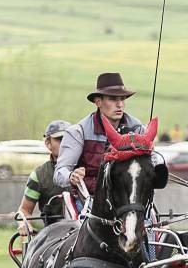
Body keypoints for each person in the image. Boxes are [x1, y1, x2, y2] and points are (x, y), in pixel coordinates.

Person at [54, 72, 146, 211]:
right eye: (113, 99)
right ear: (98, 102)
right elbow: (60, 172)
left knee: (152, 228)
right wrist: (71, 176)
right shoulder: (78, 132)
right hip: (88, 201)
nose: (120, 104)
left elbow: (154, 162)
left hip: (129, 201)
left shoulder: (137, 129)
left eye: (122, 99)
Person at [16, 120, 69, 237]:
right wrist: (24, 224)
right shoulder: (39, 176)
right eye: (60, 139)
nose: (65, 143)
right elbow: (25, 210)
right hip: (54, 239)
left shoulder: (88, 170)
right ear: (48, 143)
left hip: (85, 234)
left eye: (69, 139)